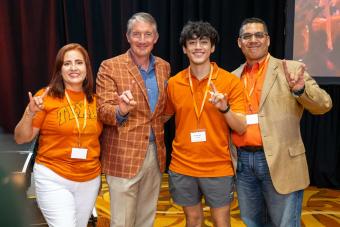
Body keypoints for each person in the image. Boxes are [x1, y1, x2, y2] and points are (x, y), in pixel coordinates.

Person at [232, 17, 332, 227]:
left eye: (259, 35)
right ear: (239, 42)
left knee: (284, 223)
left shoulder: (291, 69)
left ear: (268, 40)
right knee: (252, 223)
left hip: (280, 161)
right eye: (247, 36)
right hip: (243, 164)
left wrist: (300, 90)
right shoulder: (233, 77)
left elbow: (324, 104)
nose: (253, 40)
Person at [164, 21, 246, 227]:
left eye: (203, 42)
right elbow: (162, 117)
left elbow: (241, 127)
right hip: (182, 166)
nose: (198, 47)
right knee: (193, 219)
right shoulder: (174, 83)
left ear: (212, 47)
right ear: (184, 49)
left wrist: (225, 108)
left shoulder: (229, 82)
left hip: (218, 167)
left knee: (221, 221)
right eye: (192, 43)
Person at [14, 43, 102, 227]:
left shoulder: (96, 100)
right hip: (53, 177)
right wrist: (29, 113)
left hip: (89, 179)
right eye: (67, 63)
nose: (73, 68)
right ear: (59, 69)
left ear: (87, 67)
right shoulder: (45, 97)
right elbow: (21, 138)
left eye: (79, 62)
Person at [96, 12, 170, 227]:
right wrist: (121, 110)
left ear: (156, 38)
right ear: (128, 37)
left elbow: (163, 110)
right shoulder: (110, 66)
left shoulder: (164, 67)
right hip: (123, 156)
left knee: (146, 219)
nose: (142, 40)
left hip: (155, 154)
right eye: (136, 34)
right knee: (122, 222)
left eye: (148, 34)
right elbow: (102, 111)